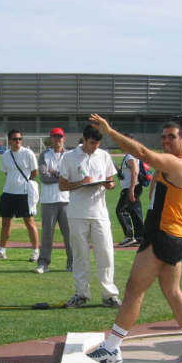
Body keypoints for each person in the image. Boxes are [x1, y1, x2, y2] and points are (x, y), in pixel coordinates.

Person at [86, 115, 182, 363]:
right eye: (163, 137)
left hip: (161, 237)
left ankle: (112, 347)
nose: (166, 141)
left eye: (171, 137)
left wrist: (110, 132)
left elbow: (141, 152)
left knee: (133, 290)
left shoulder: (178, 165)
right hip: (175, 236)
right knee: (172, 291)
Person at [58, 125, 121, 308]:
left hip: (100, 213)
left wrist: (108, 185)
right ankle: (81, 294)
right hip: (77, 213)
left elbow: (111, 181)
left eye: (97, 143)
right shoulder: (69, 157)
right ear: (84, 139)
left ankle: (109, 295)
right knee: (80, 255)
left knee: (106, 253)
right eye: (92, 143)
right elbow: (62, 185)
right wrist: (80, 183)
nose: (94, 147)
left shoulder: (104, 156)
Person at [0, 129, 40, 261]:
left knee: (29, 222)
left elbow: (34, 173)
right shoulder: (5, 155)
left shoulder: (28, 153)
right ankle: (2, 250)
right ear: (9, 141)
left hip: (24, 194)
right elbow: (6, 172)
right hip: (8, 193)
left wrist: (23, 183)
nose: (18, 141)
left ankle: (35, 251)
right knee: (5, 223)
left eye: (20, 139)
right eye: (15, 139)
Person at [35, 127, 73, 274]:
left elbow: (71, 176)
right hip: (48, 200)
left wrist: (55, 173)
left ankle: (72, 263)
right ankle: (43, 263)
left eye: (60, 137)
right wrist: (62, 176)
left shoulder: (70, 155)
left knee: (69, 235)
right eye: (54, 137)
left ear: (64, 138)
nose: (57, 140)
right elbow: (44, 177)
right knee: (47, 235)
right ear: (51, 139)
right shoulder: (44, 155)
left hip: (67, 200)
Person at [115, 137, 144, 247]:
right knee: (135, 212)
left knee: (121, 211)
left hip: (131, 188)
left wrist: (131, 190)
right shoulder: (131, 155)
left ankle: (129, 236)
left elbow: (135, 171)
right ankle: (140, 237)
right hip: (134, 187)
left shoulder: (130, 156)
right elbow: (126, 174)